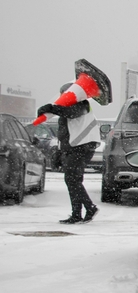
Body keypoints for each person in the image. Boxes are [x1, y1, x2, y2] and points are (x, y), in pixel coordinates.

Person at [37, 83, 101, 224]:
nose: (62, 97)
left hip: (82, 147)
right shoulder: (69, 108)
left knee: (72, 179)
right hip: (74, 148)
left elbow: (70, 112)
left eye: (65, 94)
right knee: (73, 180)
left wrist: (52, 108)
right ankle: (77, 214)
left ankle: (89, 208)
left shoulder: (82, 104)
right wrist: (61, 152)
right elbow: (66, 133)